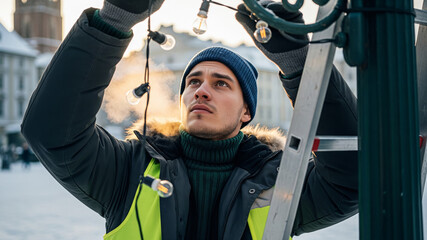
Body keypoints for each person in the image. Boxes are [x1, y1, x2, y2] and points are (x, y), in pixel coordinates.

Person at [21, 0, 358, 239]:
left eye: (221, 84)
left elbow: (357, 176)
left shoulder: (280, 181)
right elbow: (52, 133)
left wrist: (301, 64)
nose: (201, 91)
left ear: (246, 112)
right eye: (193, 82)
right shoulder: (130, 169)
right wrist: (113, 21)